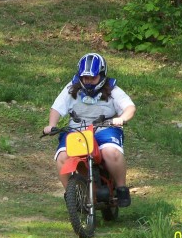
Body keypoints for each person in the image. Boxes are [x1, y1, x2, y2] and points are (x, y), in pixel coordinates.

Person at [43, 53, 136, 207]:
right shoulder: (71, 88)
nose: (89, 81)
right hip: (76, 130)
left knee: (110, 152)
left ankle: (121, 188)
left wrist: (122, 118)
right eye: (85, 78)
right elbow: (56, 108)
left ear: (101, 75)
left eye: (93, 78)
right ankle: (72, 196)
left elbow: (129, 107)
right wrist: (51, 124)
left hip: (105, 128)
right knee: (62, 157)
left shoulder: (113, 89)